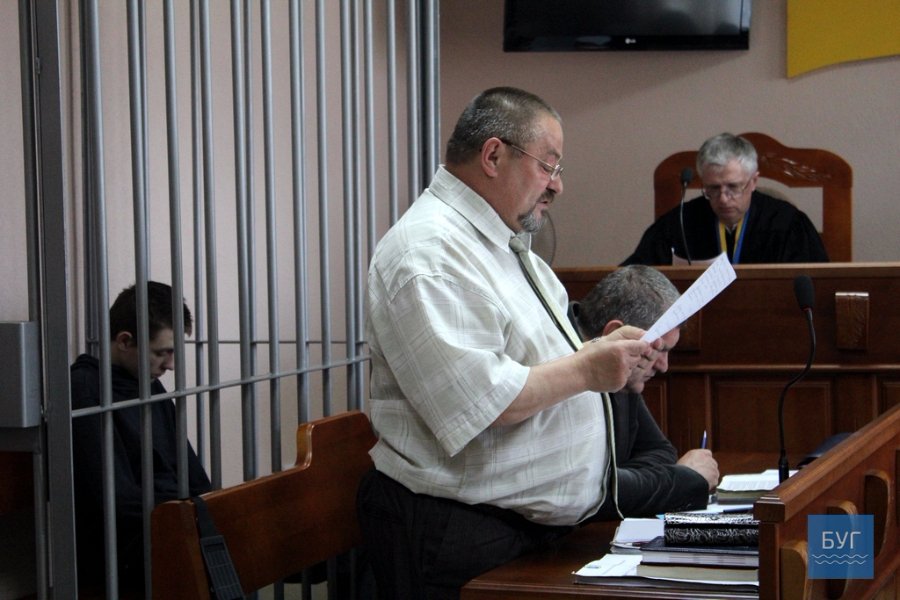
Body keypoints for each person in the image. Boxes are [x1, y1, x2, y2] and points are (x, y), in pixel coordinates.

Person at [358, 87, 654, 600]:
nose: (557, 185)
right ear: (493, 155)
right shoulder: (429, 253)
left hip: (519, 527)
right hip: (461, 533)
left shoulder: (500, 244)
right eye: (548, 166)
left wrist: (606, 359)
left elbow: (538, 367)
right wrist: (587, 370)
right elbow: (480, 401)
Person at [70, 281, 211, 591]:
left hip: (168, 524)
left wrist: (206, 510)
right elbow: (116, 500)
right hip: (123, 547)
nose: (171, 365)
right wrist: (189, 513)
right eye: (162, 353)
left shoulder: (148, 384)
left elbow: (193, 474)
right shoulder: (85, 390)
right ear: (125, 340)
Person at [569, 265, 719, 517]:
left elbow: (660, 451)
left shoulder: (625, 371)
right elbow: (587, 490)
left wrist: (626, 481)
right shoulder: (557, 366)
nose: (663, 366)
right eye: (659, 350)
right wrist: (681, 478)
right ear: (615, 334)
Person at [623, 132, 829, 265]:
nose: (723, 199)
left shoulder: (788, 223)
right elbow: (634, 277)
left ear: (753, 181)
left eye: (733, 187)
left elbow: (817, 286)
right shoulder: (679, 224)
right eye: (713, 188)